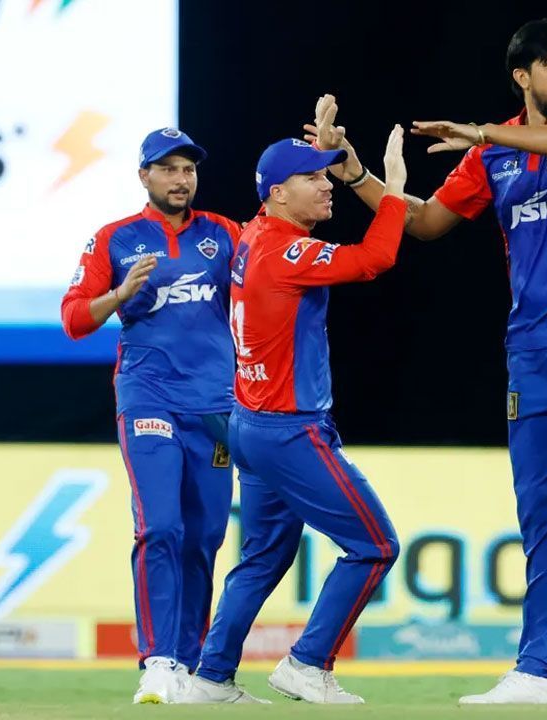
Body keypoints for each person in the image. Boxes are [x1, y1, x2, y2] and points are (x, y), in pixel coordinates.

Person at [307, 18, 547, 705]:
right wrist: (358, 175)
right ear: (522, 76)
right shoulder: (494, 158)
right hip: (531, 353)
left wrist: (486, 133)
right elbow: (426, 221)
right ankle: (538, 671)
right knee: (542, 512)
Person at [182, 113, 407, 705]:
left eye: (328, 175)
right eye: (315, 177)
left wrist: (334, 153)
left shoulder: (254, 236)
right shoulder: (286, 252)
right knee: (375, 546)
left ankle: (211, 677)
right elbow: (375, 260)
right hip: (288, 429)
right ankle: (307, 663)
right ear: (279, 193)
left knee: (263, 557)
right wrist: (393, 188)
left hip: (250, 423)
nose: (328, 184)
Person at [59, 128, 241, 704]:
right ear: (144, 176)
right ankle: (157, 662)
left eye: (188, 169)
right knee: (161, 525)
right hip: (149, 398)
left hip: (216, 406)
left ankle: (188, 666)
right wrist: (119, 294)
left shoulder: (225, 234)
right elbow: (73, 320)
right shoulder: (114, 239)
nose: (181, 179)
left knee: (206, 536)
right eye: (168, 169)